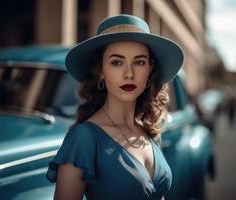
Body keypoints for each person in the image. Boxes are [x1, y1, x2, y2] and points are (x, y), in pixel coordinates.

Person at [46, 14, 184, 200]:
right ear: (101, 70)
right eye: (117, 62)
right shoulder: (84, 138)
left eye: (139, 62)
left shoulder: (147, 130)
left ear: (150, 68)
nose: (129, 73)